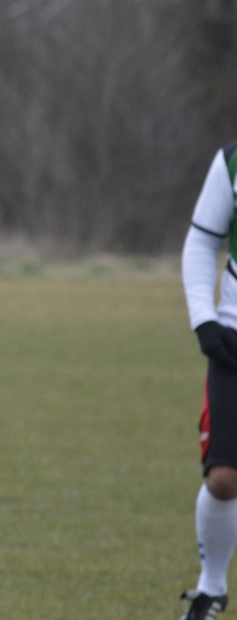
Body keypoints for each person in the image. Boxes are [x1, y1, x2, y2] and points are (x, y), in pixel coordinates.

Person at [180, 141, 237, 620]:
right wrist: (204, 319)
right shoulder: (232, 161)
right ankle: (211, 588)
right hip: (233, 341)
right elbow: (201, 241)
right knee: (222, 478)